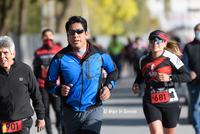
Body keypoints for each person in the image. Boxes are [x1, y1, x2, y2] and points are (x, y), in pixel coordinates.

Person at [45, 16, 118, 134]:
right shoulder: (60, 57)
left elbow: (113, 71)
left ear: (86, 34)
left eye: (79, 31)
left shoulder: (100, 54)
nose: (76, 35)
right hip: (69, 112)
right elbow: (48, 82)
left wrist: (108, 87)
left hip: (93, 110)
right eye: (71, 32)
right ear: (67, 36)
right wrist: (58, 89)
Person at [132, 30, 192, 134]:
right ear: (149, 43)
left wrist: (169, 77)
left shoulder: (171, 57)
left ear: (165, 43)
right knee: (156, 132)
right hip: (150, 100)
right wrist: (136, 83)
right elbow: (141, 75)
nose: (155, 42)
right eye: (152, 40)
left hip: (170, 101)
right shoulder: (143, 59)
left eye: (159, 40)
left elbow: (187, 76)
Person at [0, 36, 45, 134]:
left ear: (13, 54)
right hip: (2, 124)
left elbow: (36, 94)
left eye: (5, 53)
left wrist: (40, 116)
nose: (2, 56)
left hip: (23, 123)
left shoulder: (25, 70)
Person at [33, 29, 63, 134]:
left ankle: (59, 126)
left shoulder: (60, 50)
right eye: (45, 36)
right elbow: (35, 70)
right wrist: (33, 86)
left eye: (50, 35)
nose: (48, 38)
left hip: (56, 86)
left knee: (58, 109)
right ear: (42, 38)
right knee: (45, 111)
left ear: (54, 36)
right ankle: (49, 132)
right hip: (42, 86)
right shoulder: (38, 52)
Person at [182, 23, 200, 134]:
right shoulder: (189, 47)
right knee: (194, 107)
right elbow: (183, 63)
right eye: (198, 30)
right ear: (194, 32)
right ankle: (198, 130)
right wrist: (189, 72)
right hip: (193, 83)